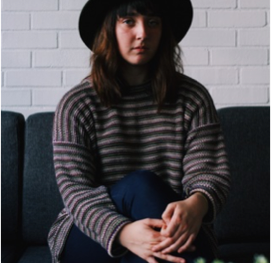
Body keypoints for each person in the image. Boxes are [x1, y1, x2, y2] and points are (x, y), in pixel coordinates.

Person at [48, 0, 231, 263]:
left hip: (174, 231)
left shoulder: (192, 98)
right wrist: (123, 232)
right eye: (129, 21)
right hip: (89, 233)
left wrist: (196, 204)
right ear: (108, 30)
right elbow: (76, 191)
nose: (143, 33)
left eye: (153, 22)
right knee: (141, 186)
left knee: (154, 250)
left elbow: (209, 173)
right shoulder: (78, 104)